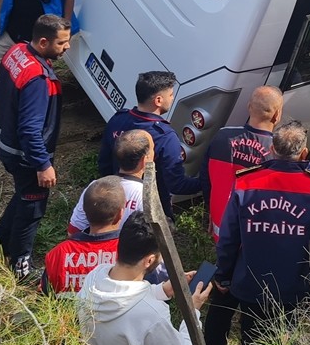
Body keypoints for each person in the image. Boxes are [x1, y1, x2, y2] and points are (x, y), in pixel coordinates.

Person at [212, 121, 310, 345]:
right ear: (304, 153)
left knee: (252, 337)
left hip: (251, 280)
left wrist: (224, 274)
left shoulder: (247, 182)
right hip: (297, 281)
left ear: (271, 149)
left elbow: (228, 237)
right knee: (289, 333)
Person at [77, 211, 213, 345]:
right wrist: (192, 312)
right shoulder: (151, 316)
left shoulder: (94, 278)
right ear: (150, 260)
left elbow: (125, 297)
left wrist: (162, 291)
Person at [0, 13, 70, 279]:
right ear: (43, 42)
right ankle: (21, 265)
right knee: (32, 208)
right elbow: (31, 128)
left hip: (7, 143)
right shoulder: (37, 79)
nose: (66, 48)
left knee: (23, 196)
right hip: (26, 156)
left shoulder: (17, 51)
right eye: (61, 43)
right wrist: (43, 165)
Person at [97, 71, 203, 222]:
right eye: (171, 95)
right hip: (152, 211)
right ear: (158, 100)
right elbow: (177, 184)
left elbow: (104, 164)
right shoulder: (165, 136)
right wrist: (206, 182)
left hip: (116, 203)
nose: (172, 98)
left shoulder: (118, 120)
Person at [204, 85, 283, 241]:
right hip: (253, 233)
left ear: (249, 107)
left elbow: (205, 178)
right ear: (277, 115)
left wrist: (210, 210)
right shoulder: (278, 151)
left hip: (220, 222)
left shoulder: (222, 135)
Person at [41, 176, 126, 294]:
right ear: (120, 214)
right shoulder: (128, 252)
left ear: (84, 211)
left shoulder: (57, 254)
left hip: (66, 312)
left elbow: (46, 295)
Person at [69, 129, 152, 236]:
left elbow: (73, 231)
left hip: (95, 251)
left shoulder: (95, 187)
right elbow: (152, 239)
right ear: (145, 159)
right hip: (129, 252)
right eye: (153, 150)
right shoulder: (145, 195)